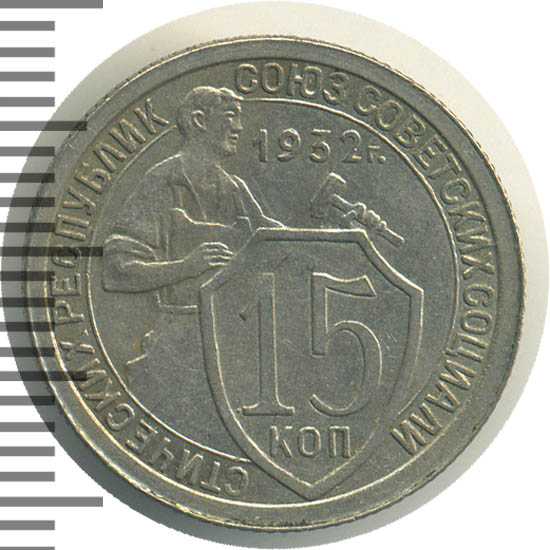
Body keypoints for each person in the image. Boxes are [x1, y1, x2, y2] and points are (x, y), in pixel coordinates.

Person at [102, 86, 282, 452]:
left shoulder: (235, 188)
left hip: (235, 348)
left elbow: (275, 246)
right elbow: (117, 270)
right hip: (177, 346)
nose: (240, 128)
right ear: (200, 121)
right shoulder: (161, 182)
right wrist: (186, 268)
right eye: (231, 118)